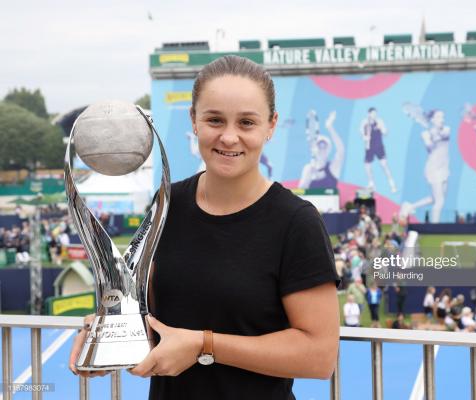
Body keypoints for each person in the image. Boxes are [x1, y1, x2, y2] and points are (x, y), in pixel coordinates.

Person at [69, 55, 340, 399]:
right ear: (194, 121)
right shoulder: (168, 203)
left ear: (271, 126)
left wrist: (203, 345)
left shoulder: (296, 222)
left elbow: (318, 356)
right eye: (215, 120)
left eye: (246, 123)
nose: (229, 137)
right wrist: (111, 332)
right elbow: (154, 319)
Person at [400, 109, 450, 223]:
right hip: (433, 169)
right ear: (432, 120)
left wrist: (435, 135)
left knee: (434, 199)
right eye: (439, 117)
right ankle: (435, 227)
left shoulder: (446, 129)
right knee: (440, 201)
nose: (442, 120)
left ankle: (409, 206)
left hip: (444, 168)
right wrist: (431, 138)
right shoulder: (425, 134)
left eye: (443, 117)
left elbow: (445, 136)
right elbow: (429, 148)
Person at [298, 110, 344, 189]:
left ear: (328, 150)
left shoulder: (332, 168)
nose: (322, 149)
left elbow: (341, 150)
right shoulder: (308, 169)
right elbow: (299, 195)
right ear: (314, 150)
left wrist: (330, 127)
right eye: (319, 146)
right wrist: (308, 178)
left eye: (325, 146)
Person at [360, 107, 397, 193]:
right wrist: (365, 137)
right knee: (367, 166)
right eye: (373, 113)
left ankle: (392, 185)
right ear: (368, 114)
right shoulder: (364, 122)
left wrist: (381, 128)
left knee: (384, 165)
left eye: (375, 113)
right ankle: (371, 184)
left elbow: (385, 132)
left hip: (379, 147)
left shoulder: (379, 121)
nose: (374, 115)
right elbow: (362, 133)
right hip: (369, 147)